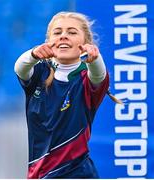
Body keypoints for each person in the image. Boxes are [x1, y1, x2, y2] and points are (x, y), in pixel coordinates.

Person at [14, 11, 110, 179]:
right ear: (48, 42)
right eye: (57, 33)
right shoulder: (39, 73)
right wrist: (33, 54)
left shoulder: (86, 79)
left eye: (72, 32)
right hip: (39, 175)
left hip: (78, 174)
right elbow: (20, 68)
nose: (64, 36)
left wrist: (94, 58)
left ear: (86, 43)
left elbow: (99, 74)